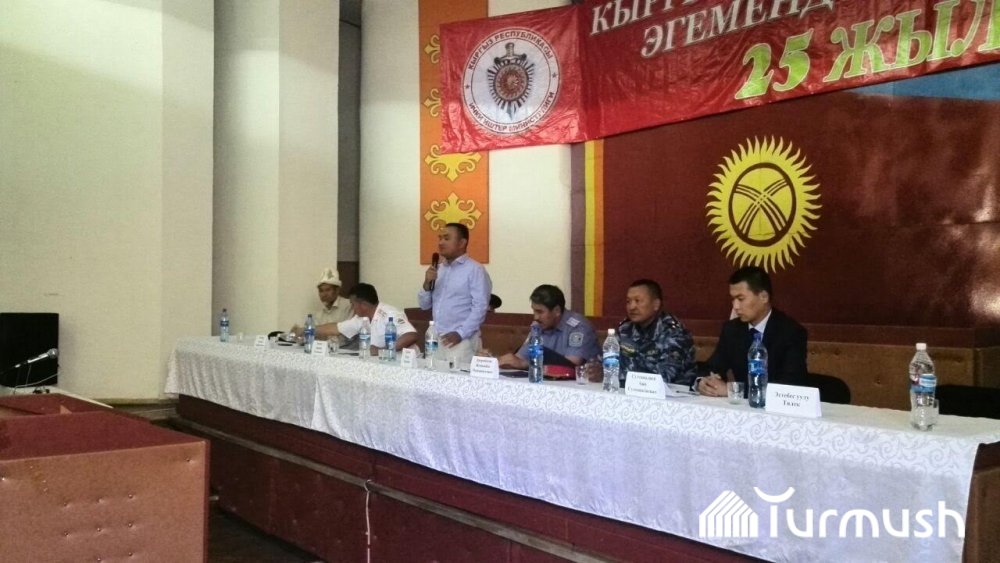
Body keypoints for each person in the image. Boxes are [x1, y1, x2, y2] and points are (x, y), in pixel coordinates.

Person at [697, 266, 808, 397]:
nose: (735, 306)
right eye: (733, 299)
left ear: (764, 297)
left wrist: (733, 391)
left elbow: (789, 387)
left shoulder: (791, 332)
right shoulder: (732, 329)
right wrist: (703, 382)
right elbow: (712, 367)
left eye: (741, 299)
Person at [418, 223, 491, 368]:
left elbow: (480, 307)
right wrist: (426, 284)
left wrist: (460, 333)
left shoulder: (475, 269)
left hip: (461, 341)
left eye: (446, 238)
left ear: (462, 243)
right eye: (440, 238)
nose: (441, 243)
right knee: (433, 379)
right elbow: (424, 305)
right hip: (436, 339)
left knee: (459, 381)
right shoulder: (438, 269)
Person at [498, 285, 600, 370]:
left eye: (540, 312)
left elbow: (571, 366)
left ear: (557, 311)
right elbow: (520, 358)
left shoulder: (578, 327)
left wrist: (525, 364)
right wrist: (505, 361)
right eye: (534, 311)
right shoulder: (539, 326)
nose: (535, 317)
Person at [616, 279, 697, 386]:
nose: (632, 307)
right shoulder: (624, 329)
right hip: (630, 390)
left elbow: (666, 376)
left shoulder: (673, 332)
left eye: (638, 301)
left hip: (672, 394)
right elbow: (608, 363)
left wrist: (623, 375)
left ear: (656, 305)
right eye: (628, 301)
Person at [321, 283, 418, 355]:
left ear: (363, 305)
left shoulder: (390, 313)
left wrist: (382, 351)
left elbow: (411, 335)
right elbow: (336, 328)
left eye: (353, 304)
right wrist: (312, 329)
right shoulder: (362, 318)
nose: (352, 308)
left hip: (406, 363)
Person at [291, 267, 353, 344]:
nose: (324, 294)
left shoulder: (348, 306)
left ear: (337, 290)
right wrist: (298, 335)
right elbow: (312, 337)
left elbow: (347, 336)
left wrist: (320, 335)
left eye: (328, 290)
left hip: (343, 350)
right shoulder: (318, 311)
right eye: (321, 291)